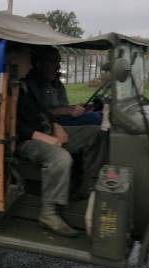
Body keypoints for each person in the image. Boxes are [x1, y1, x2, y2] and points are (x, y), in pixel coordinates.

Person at [8, 43, 107, 238]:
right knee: (60, 158)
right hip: (23, 141)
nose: (30, 65)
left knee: (96, 133)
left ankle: (86, 187)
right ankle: (48, 213)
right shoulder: (4, 86)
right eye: (28, 60)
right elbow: (11, 126)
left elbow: (41, 113)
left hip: (44, 130)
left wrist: (56, 127)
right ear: (13, 60)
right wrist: (46, 137)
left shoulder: (23, 84)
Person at [25, 46, 101, 126]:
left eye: (58, 62)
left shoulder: (57, 84)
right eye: (53, 62)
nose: (58, 67)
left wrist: (79, 108)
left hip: (62, 120)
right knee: (95, 117)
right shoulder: (30, 85)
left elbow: (64, 108)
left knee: (100, 114)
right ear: (38, 63)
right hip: (47, 126)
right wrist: (63, 110)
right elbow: (35, 115)